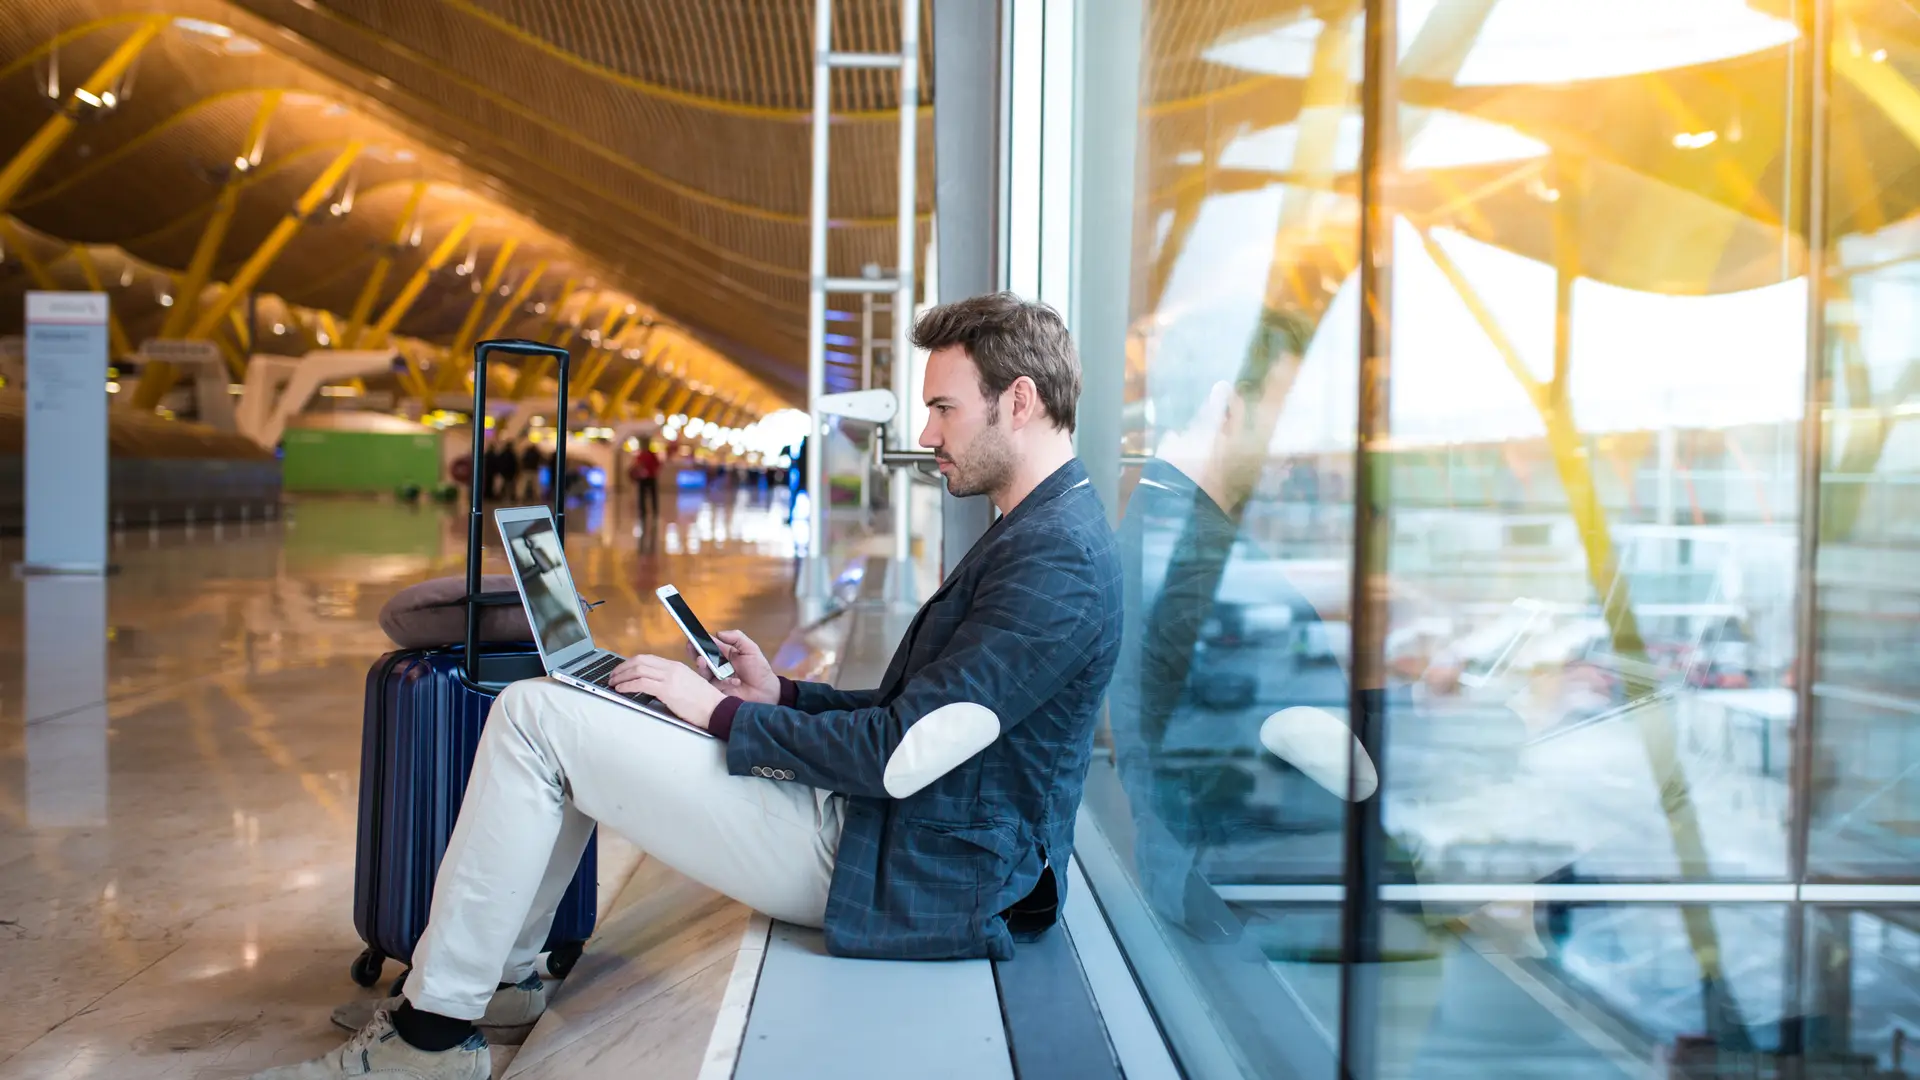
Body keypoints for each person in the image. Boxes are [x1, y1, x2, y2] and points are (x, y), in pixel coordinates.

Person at [250, 292, 1123, 1080]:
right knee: (575, 716)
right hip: (912, 843)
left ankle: (429, 1045)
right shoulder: (1043, 531)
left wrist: (721, 713)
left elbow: (901, 757)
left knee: (533, 716)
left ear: (1019, 401)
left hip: (898, 864)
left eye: (943, 407)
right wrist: (780, 696)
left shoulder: (1056, 562)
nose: (927, 433)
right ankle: (497, 985)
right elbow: (920, 720)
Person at [629, 439, 662, 526]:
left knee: (647, 495)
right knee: (646, 495)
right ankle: (647, 510)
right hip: (647, 477)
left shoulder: (643, 455)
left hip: (649, 477)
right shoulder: (644, 455)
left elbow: (657, 465)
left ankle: (649, 510)